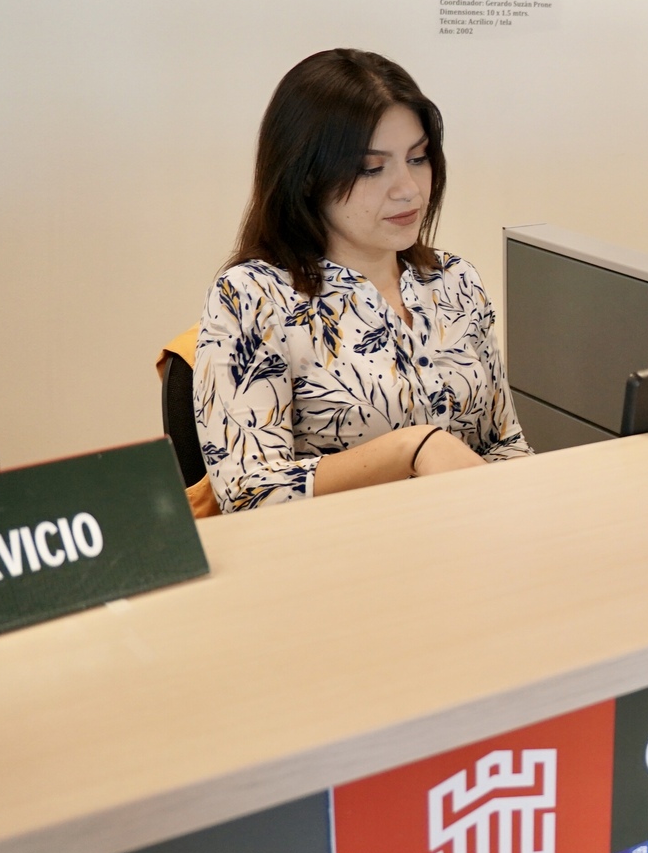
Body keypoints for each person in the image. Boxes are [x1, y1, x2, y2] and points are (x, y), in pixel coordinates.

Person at [194, 49, 530, 513]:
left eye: (418, 159)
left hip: (468, 535)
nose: (408, 189)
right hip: (339, 549)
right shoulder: (251, 297)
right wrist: (410, 449)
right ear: (306, 177)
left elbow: (505, 444)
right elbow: (249, 492)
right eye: (372, 168)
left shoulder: (455, 281)